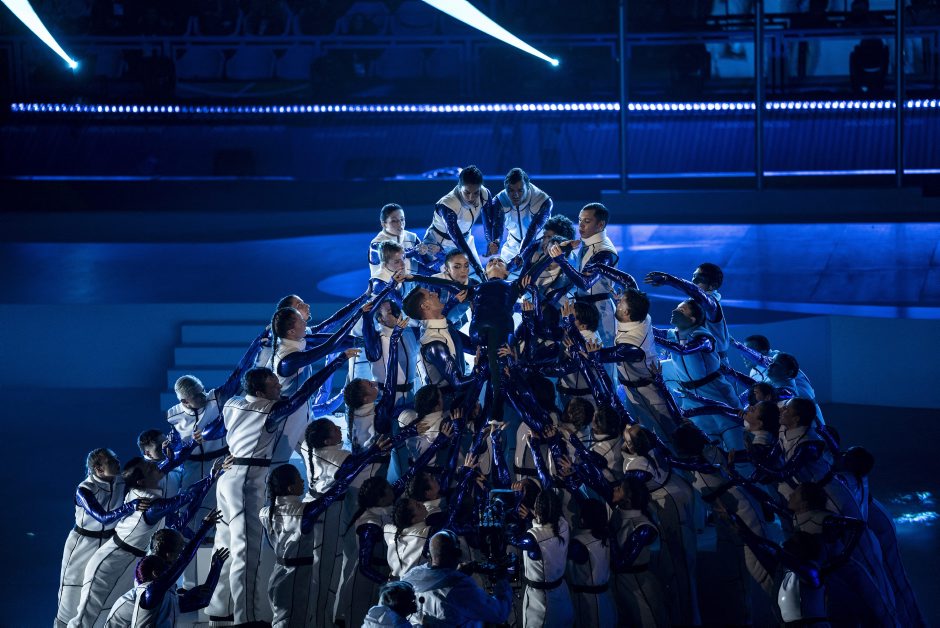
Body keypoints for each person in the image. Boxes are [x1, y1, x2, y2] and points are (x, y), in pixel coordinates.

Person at [206, 350, 358, 624]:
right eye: (274, 385)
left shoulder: (232, 403)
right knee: (246, 552)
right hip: (247, 480)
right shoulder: (269, 411)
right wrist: (336, 362)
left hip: (228, 476)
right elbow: (304, 393)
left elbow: (213, 430)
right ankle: (246, 619)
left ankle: (220, 610)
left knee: (225, 544)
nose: (280, 388)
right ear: (259, 391)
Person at [56, 449, 146, 628]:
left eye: (116, 459)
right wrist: (130, 506)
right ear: (98, 468)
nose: (118, 463)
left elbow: (156, 472)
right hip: (82, 544)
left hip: (109, 542)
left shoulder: (121, 481)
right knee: (71, 593)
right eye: (111, 461)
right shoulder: (85, 489)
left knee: (101, 592)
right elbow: (103, 517)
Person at [130, 511, 229, 627]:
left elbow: (202, 601)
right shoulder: (152, 589)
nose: (179, 556)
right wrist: (204, 527)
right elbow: (184, 560)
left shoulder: (159, 588)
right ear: (168, 555)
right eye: (178, 553)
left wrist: (215, 568)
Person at [403, 529, 513, 626]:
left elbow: (437, 582)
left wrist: (455, 574)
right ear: (457, 554)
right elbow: (499, 613)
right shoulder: (459, 589)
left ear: (429, 555)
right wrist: (502, 580)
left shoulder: (410, 578)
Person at [548, 203, 619, 347]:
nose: (580, 225)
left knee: (600, 351)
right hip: (582, 308)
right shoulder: (587, 243)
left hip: (600, 311)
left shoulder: (604, 252)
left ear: (600, 224)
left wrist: (561, 260)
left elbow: (585, 283)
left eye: (587, 221)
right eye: (580, 220)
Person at [422, 165, 495, 278]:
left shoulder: (484, 194)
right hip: (439, 243)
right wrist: (475, 265)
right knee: (447, 282)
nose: (471, 197)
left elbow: (489, 220)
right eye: (467, 192)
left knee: (478, 278)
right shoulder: (448, 204)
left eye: (475, 193)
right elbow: (457, 238)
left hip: (466, 240)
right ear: (459, 186)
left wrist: (490, 241)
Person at [485, 168, 553, 268]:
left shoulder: (543, 200)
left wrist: (522, 254)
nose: (515, 195)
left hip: (539, 246)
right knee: (498, 274)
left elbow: (533, 230)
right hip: (512, 245)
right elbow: (497, 226)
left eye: (520, 190)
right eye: (511, 191)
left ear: (528, 186)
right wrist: (496, 242)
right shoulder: (499, 200)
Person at [369, 203, 424, 278]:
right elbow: (394, 255)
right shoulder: (376, 244)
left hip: (410, 283)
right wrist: (414, 251)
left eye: (402, 219)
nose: (400, 224)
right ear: (383, 224)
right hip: (386, 284)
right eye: (394, 221)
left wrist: (429, 252)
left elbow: (426, 264)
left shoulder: (412, 237)